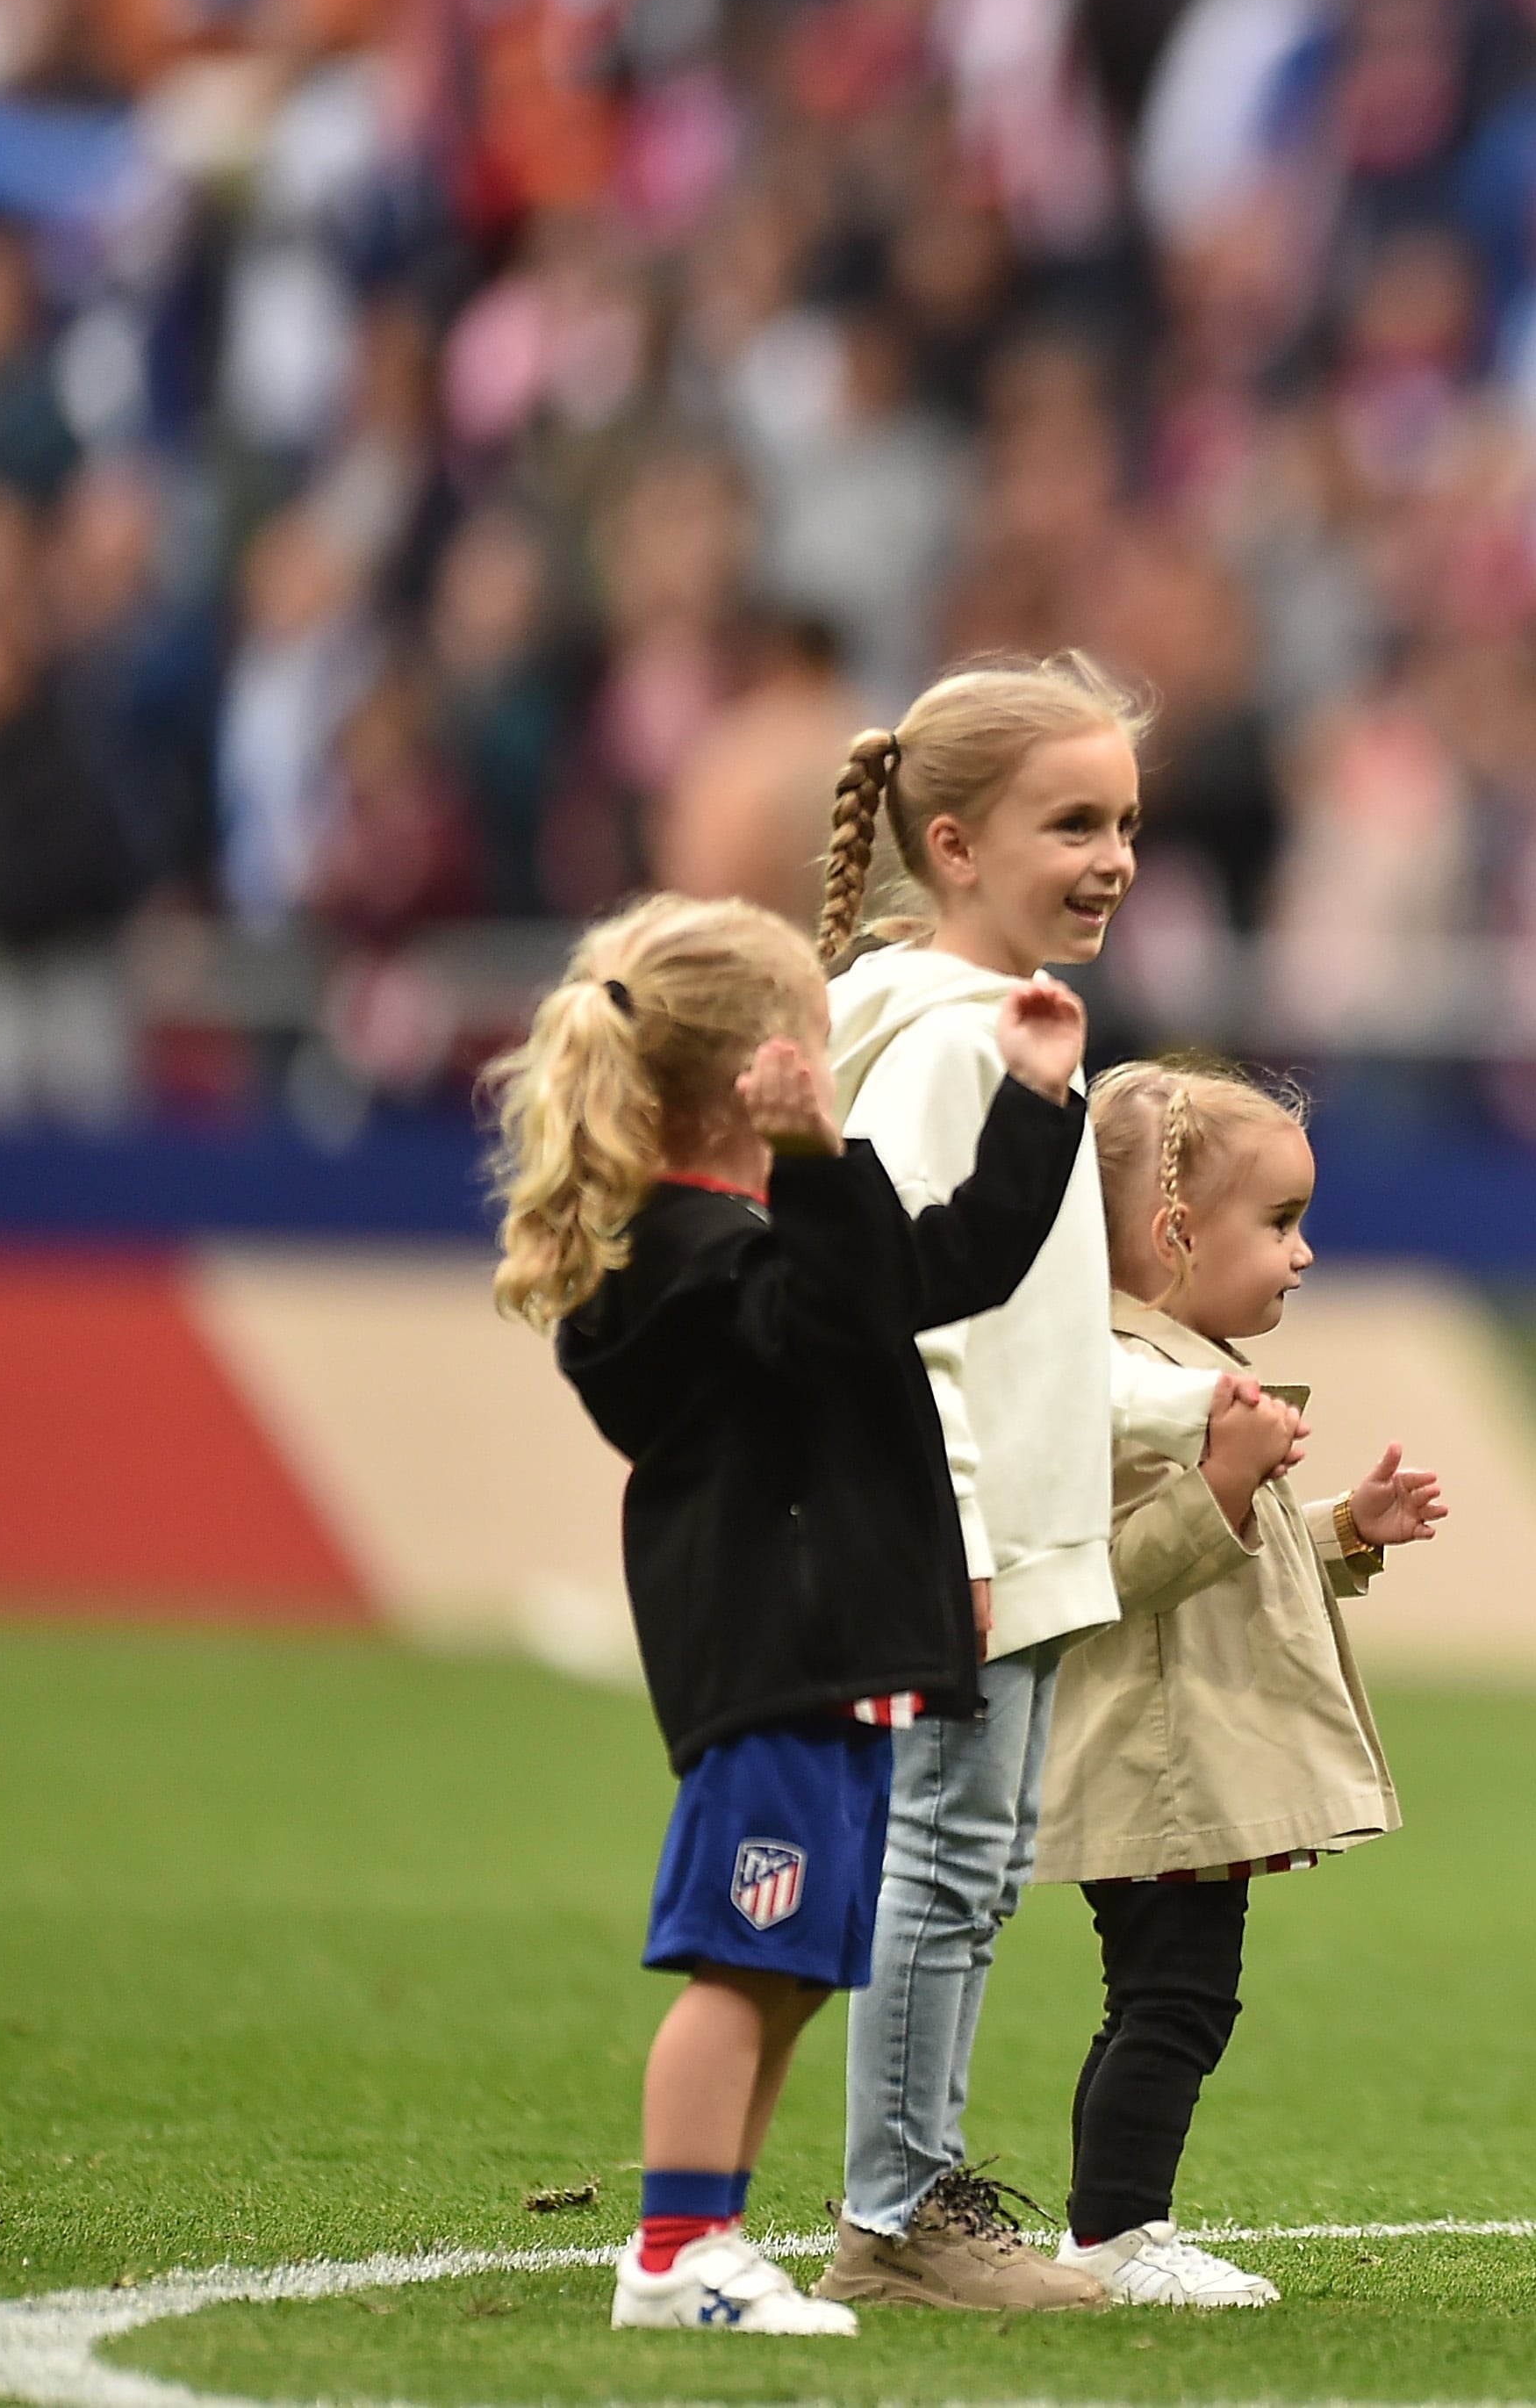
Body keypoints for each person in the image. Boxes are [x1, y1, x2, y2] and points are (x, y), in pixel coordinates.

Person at [485, 892, 1089, 2336]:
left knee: (800, 1962)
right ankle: (675, 2247)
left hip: (842, 1655)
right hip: (774, 1652)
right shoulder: (669, 1251)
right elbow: (824, 1321)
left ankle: (714, 2235)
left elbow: (938, 1272)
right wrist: (821, 1167)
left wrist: (1032, 1101)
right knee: (744, 1955)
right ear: (757, 1069)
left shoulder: (769, 1222)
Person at [812, 655, 1150, 2312]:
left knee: (973, 1857)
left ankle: (915, 2184)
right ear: (951, 843)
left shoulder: (1011, 1031)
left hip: (1017, 1528)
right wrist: (952, 1536)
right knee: (943, 1861)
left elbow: (1028, 1315)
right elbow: (900, 1312)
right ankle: (892, 2215)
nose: (1112, 857)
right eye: (1070, 821)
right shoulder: (949, 1048)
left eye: (1126, 824)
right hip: (964, 1540)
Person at [1035, 1055, 1451, 2306]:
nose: (1304, 1253)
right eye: (1278, 1223)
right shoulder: (1127, 1387)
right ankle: (1114, 2234)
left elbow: (1242, 1571)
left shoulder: (1181, 1367)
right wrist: (1222, 1482)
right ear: (1172, 1235)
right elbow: (1100, 1578)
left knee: (1171, 1994)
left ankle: (1117, 2227)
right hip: (1154, 1763)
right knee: (1170, 1996)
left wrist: (1347, 1529)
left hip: (1181, 1758)